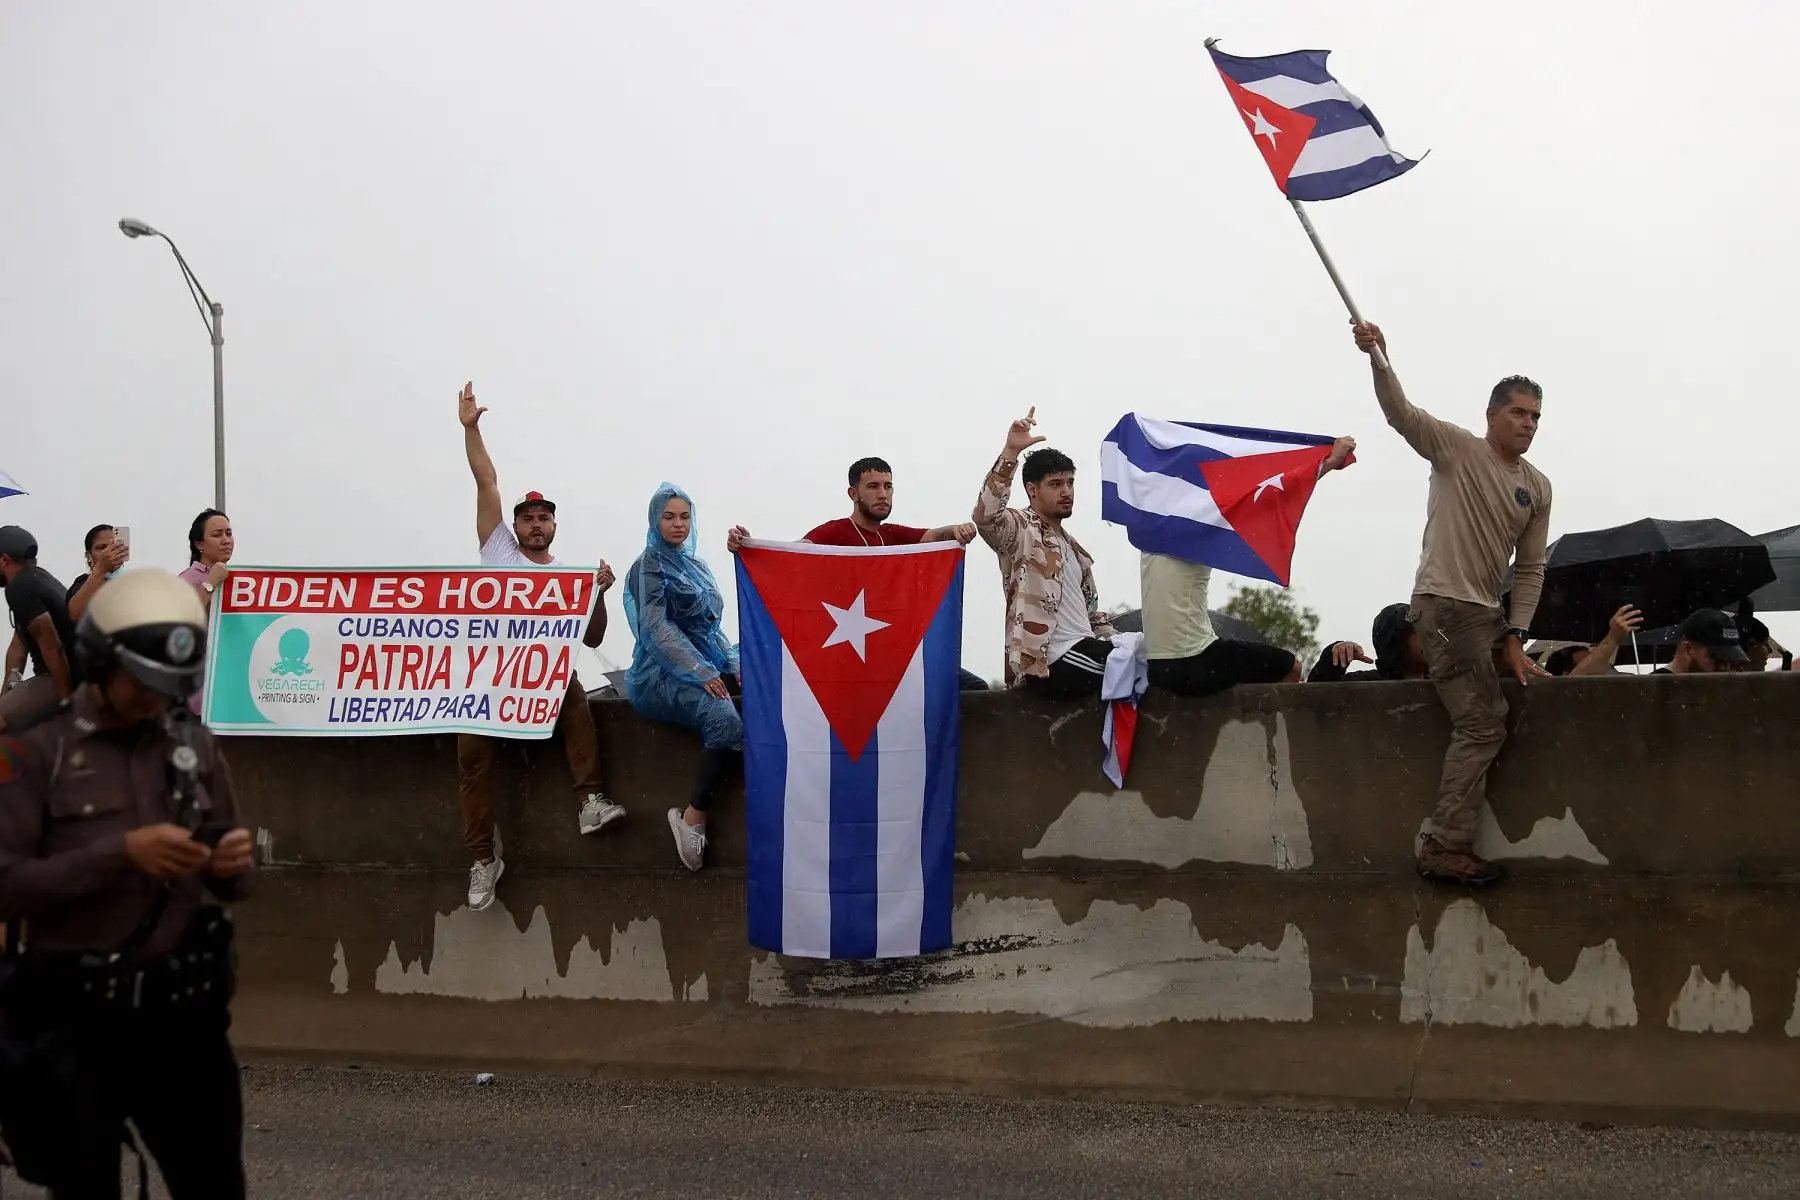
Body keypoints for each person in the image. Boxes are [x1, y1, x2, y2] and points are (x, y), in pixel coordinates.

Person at [0, 568, 255, 1198]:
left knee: (215, 1185)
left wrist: (231, 865)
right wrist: (119, 853)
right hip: (74, 1021)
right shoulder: (36, 751)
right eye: (141, 682)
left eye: (168, 685)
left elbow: (238, 882)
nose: (153, 699)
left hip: (184, 1024)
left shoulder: (193, 742)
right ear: (98, 662)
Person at [1353, 321, 1553, 887]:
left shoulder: (1537, 487)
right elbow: (1402, 415)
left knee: (1524, 688)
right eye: (1519, 413)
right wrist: (1380, 360)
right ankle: (1445, 844)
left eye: (1536, 416)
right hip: (1444, 606)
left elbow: (1532, 566)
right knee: (1485, 724)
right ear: (1493, 414)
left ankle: (1453, 837)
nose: (1529, 424)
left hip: (1488, 616)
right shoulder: (1458, 449)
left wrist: (1515, 633)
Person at [455, 383, 622, 912]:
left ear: (553, 526)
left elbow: (592, 638)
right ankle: (483, 859)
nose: (533, 523)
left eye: (542, 517)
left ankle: (589, 801)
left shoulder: (568, 578)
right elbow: (487, 480)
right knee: (472, 762)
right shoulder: (500, 554)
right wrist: (470, 428)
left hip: (542, 682)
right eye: (526, 517)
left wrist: (598, 592)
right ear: (516, 527)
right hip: (490, 677)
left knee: (573, 693)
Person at [725, 457, 989, 689]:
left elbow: (932, 536)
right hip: (847, 654)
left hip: (895, 648)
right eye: (873, 487)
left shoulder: (892, 534)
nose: (883, 494)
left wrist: (956, 529)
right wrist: (749, 545)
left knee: (975, 687)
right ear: (853, 493)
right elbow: (793, 553)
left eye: (888, 486)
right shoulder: (835, 531)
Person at [1142, 437, 1356, 696]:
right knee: (1291, 666)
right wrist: (1329, 463)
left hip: (1156, 664)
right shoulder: (1199, 520)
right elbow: (1273, 494)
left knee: (1243, 664)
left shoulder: (1149, 529)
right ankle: (1266, 735)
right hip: (1193, 658)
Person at [624, 484, 740, 872]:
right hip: (659, 674)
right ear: (654, 520)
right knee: (724, 718)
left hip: (704, 665)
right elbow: (656, 628)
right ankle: (692, 817)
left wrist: (734, 665)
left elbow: (712, 628)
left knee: (770, 690)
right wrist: (700, 671)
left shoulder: (699, 566)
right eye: (668, 516)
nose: (678, 524)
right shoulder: (649, 565)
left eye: (684, 516)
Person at [972, 408, 1119, 694]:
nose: (1066, 491)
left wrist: (1121, 640)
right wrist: (1010, 452)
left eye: (1070, 482)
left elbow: (1093, 617)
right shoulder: (1021, 530)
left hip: (1084, 649)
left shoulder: (1076, 550)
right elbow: (985, 517)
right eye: (1055, 484)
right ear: (1032, 489)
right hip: (1051, 662)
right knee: (1130, 666)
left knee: (1146, 658)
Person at [0, 525, 77, 736]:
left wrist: (67, 704)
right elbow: (18, 649)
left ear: (4, 560)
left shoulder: (20, 588)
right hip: (56, 677)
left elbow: (53, 648)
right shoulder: (36, 579)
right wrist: (4, 698)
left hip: (58, 679)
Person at [1309, 603, 1429, 682]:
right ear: (1398, 640)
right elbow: (1313, 700)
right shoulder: (1367, 685)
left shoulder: (1445, 685)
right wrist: (1332, 660)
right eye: (1420, 632)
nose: (1431, 639)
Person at [1536, 605, 1644, 676]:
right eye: (1590, 661)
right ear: (1565, 675)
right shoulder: (1563, 701)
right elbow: (1572, 683)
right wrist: (1613, 638)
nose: (1598, 657)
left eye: (1594, 656)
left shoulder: (1629, 683)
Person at [66, 523, 131, 621]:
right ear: (88, 555)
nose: (108, 552)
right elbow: (76, 615)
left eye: (113, 547)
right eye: (101, 547)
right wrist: (101, 569)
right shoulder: (82, 584)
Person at [1652, 609, 1747, 674]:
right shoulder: (1652, 690)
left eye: (1728, 661)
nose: (1724, 668)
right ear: (1687, 650)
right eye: (1715, 658)